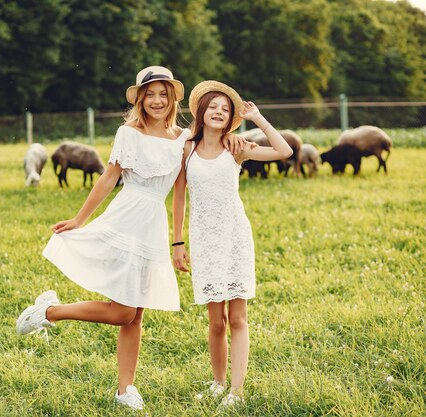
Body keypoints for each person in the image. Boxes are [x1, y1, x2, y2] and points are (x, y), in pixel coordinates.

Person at [16, 66, 191, 411]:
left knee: (135, 314)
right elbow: (109, 178)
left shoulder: (183, 139)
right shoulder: (128, 133)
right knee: (123, 313)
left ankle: (125, 389)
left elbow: (180, 194)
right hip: (126, 220)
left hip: (153, 226)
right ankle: (50, 311)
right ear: (140, 98)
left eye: (163, 94)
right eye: (150, 94)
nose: (157, 100)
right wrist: (80, 219)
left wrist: (178, 241)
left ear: (172, 98)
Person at [172, 81, 292, 407]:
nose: (219, 112)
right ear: (201, 111)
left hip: (235, 236)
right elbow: (179, 196)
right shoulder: (187, 148)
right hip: (204, 239)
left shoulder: (235, 148)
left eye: (225, 109)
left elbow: (285, 151)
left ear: (230, 119)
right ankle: (218, 382)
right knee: (215, 321)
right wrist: (178, 242)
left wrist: (258, 119)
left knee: (237, 318)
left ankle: (236, 392)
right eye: (213, 106)